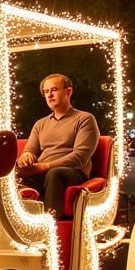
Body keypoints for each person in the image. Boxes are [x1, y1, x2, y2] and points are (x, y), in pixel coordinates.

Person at [16, 73, 99, 219]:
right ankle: (18, 222)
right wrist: (26, 157)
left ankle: (51, 225)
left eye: (54, 90)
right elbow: (30, 150)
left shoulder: (84, 119)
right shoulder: (40, 123)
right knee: (7, 175)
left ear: (68, 92)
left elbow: (80, 157)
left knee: (55, 173)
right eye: (46, 92)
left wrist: (45, 166)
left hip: (72, 172)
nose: (49, 95)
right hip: (42, 172)